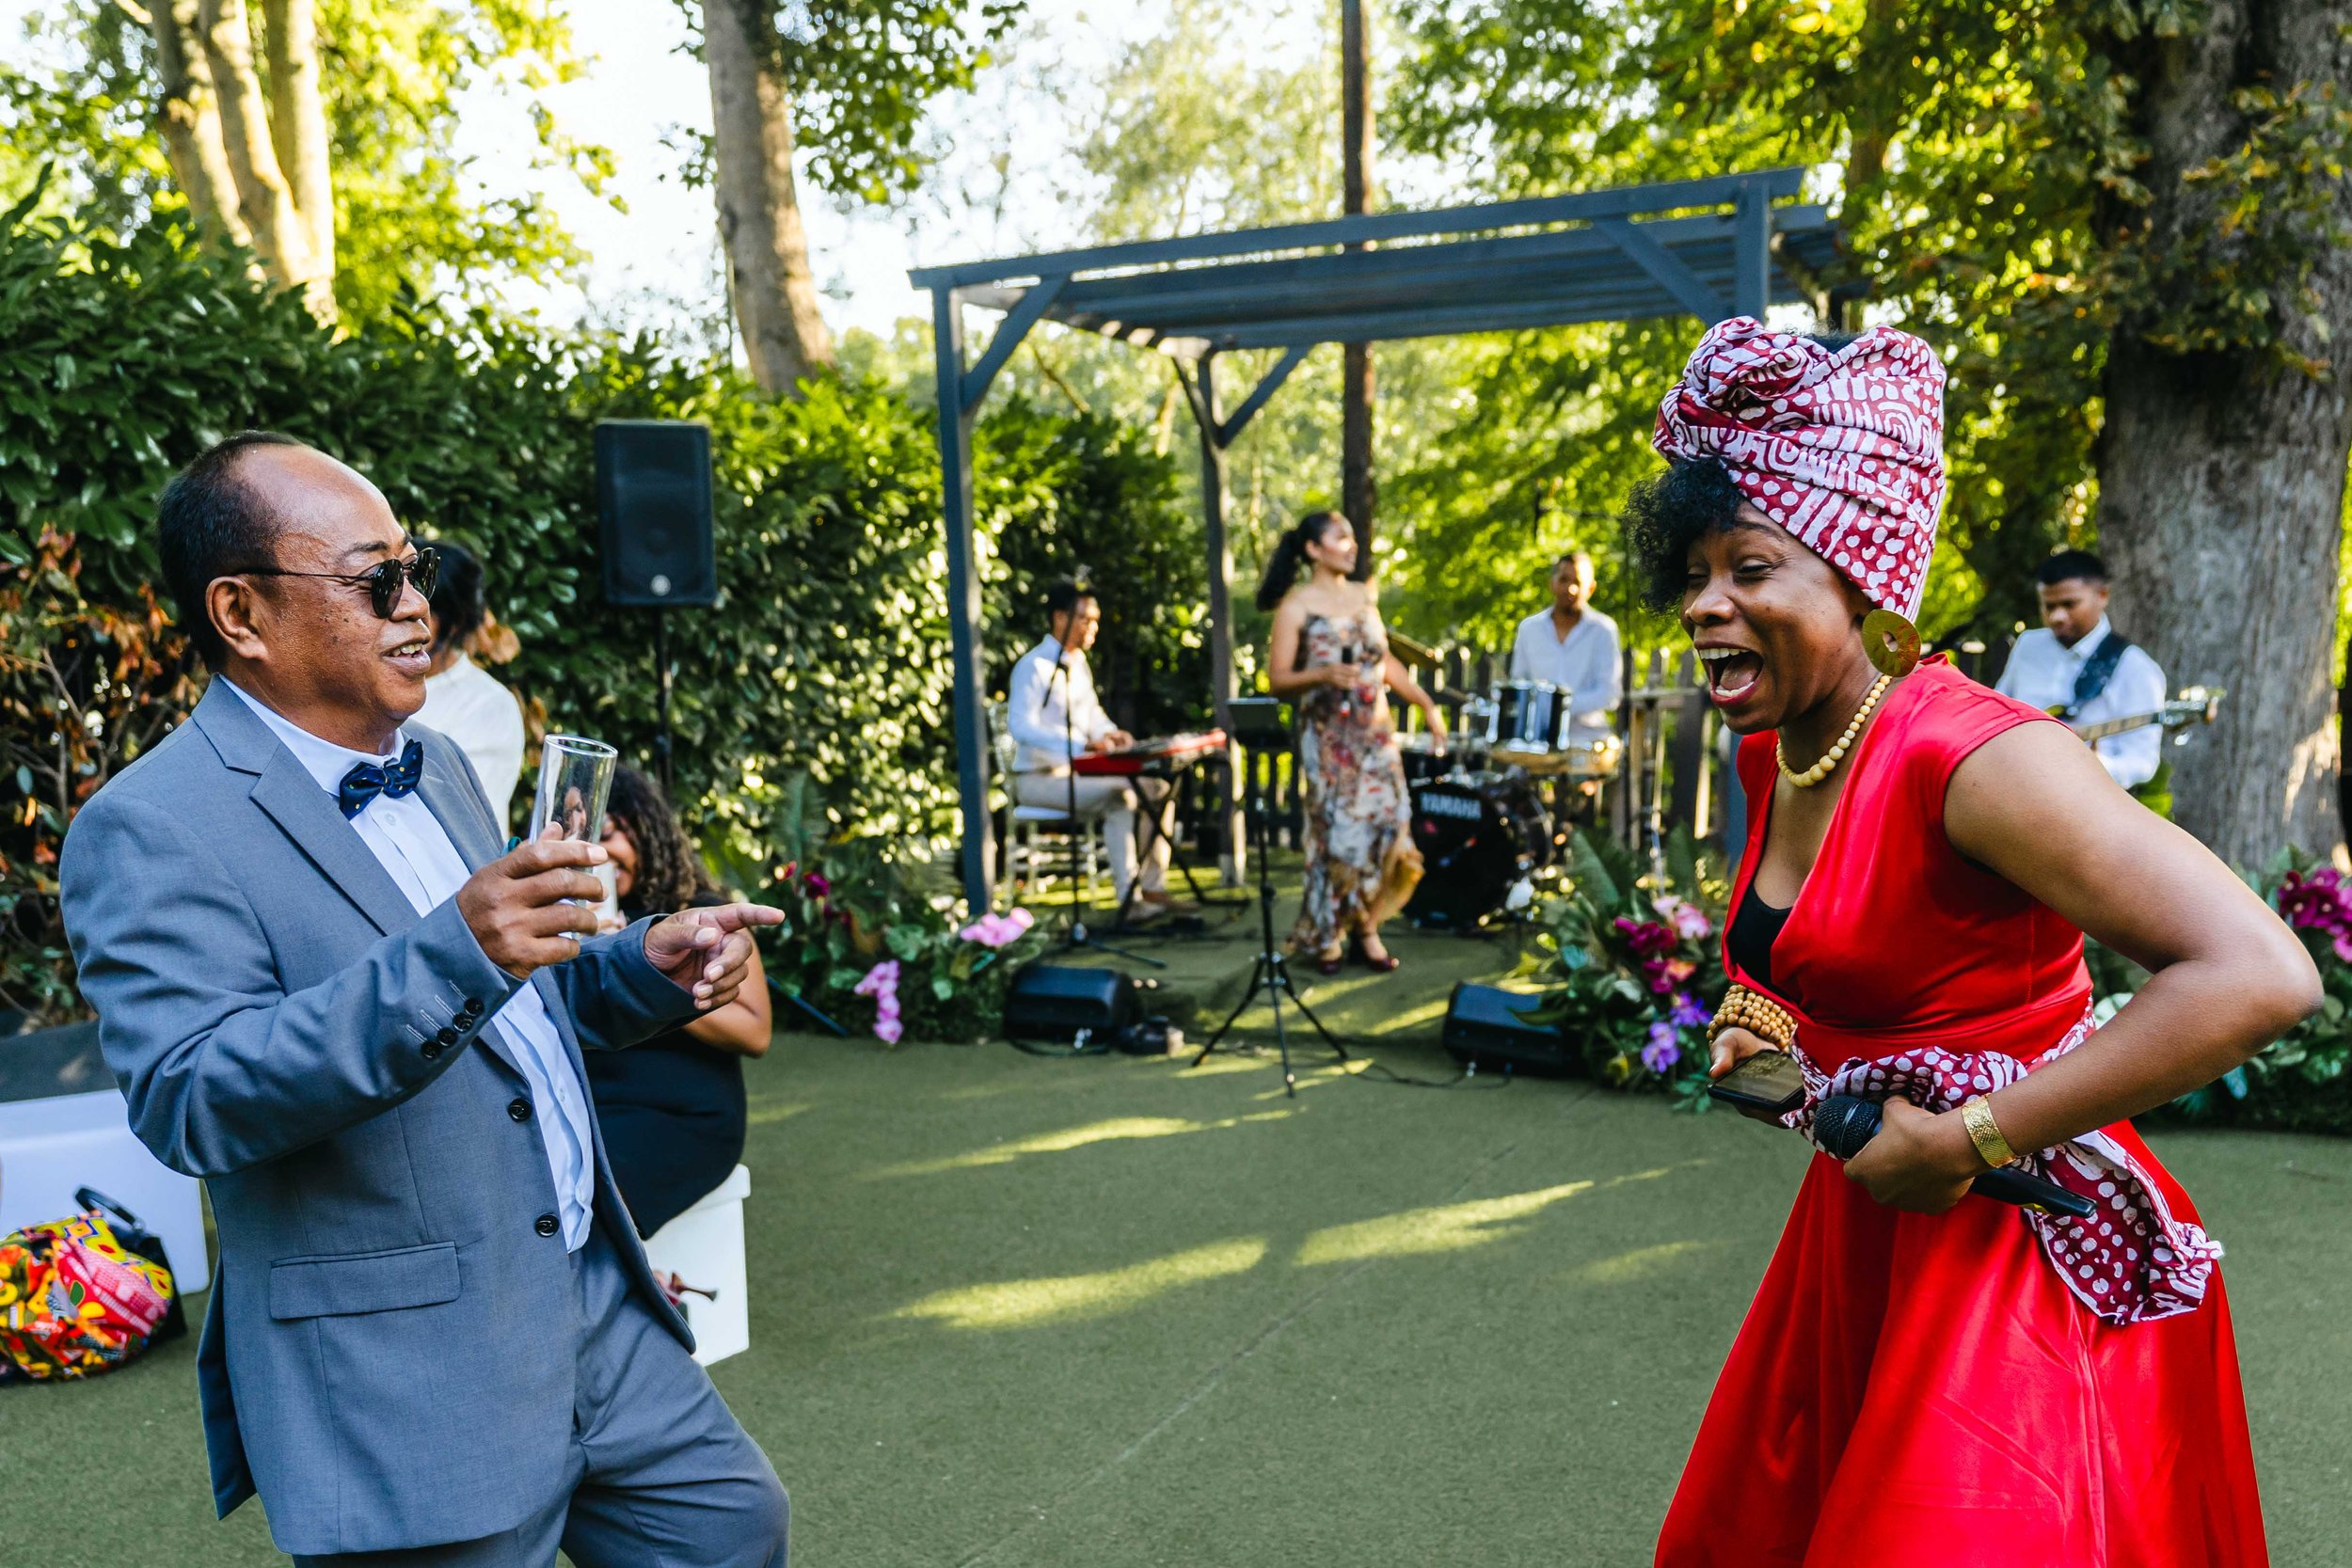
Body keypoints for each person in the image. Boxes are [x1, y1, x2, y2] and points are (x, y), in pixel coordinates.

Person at [1632, 321, 2314, 1567]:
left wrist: (1968, 1136)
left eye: (1750, 565)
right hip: (1863, 1233)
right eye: (1691, 569)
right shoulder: (1779, 743)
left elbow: (2262, 972)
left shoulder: (1979, 759)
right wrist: (1765, 1019)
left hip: (2008, 1248)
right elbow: (1836, 955)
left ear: (1858, 579)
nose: (1704, 601)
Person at [58, 432, 791, 1567]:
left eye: (419, 566)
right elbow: (193, 1097)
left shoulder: (438, 760)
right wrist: (461, 950)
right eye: (376, 579)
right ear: (241, 614)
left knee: (729, 1525)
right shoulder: (149, 827)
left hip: (590, 1298)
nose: (421, 604)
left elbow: (515, 1002)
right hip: (406, 1369)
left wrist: (639, 964)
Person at [585, 766, 771, 1243]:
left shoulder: (700, 912)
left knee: (588, 1209)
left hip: (680, 1118)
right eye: (584, 840)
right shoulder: (571, 918)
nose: (597, 855)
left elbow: (755, 1032)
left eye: (607, 836)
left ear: (645, 833)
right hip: (592, 1107)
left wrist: (645, 975)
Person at [1258, 511, 1445, 974]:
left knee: (1392, 830)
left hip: (1376, 739)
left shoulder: (1365, 597)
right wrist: (1321, 673)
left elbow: (1383, 664)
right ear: (1313, 550)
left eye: (1352, 536)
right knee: (1337, 842)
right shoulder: (1296, 605)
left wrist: (1424, 703)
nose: (1352, 544)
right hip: (1327, 741)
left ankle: (1368, 927)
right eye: (1341, 537)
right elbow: (1277, 680)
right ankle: (1328, 936)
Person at [1005, 578, 1175, 912]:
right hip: (1039, 779)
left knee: (1156, 787)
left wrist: (1112, 734)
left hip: (1078, 773)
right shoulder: (1033, 666)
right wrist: (1081, 743)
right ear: (1059, 617)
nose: (1093, 627)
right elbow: (1021, 727)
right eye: (1086, 619)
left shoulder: (1078, 664)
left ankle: (1154, 888)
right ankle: (1130, 900)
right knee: (1121, 796)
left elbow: (1092, 714)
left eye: (1096, 619)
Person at [1994, 548, 2169, 789]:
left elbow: (2143, 762)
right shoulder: (2028, 644)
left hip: (2086, 802)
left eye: (2069, 604)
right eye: (2049, 606)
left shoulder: (2137, 668)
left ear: (2102, 595)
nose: (2057, 616)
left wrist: (2099, 766)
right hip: (2013, 786)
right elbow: (1997, 711)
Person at [415, 539, 527, 820]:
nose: (400, 617)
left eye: (422, 612)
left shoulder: (489, 705)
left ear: (453, 624)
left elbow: (462, 815)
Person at [1507, 549, 1623, 742]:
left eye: (1577, 582)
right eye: (1564, 580)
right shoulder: (1529, 629)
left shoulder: (1604, 630)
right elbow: (1519, 683)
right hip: (1537, 738)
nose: (1571, 589)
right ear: (1552, 583)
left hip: (1587, 738)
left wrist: (1559, 705)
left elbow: (1609, 694)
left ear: (1591, 588)